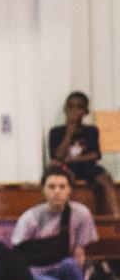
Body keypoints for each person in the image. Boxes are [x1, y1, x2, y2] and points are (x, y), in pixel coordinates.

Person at [12, 164, 104, 280]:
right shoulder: (30, 218)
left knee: (69, 264)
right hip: (33, 272)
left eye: (62, 187)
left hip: (61, 269)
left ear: (70, 190)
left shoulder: (80, 213)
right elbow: (16, 258)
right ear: (43, 190)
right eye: (52, 187)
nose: (57, 192)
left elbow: (79, 252)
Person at [48, 91, 119, 219]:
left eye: (79, 107)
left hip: (86, 166)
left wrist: (73, 159)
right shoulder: (56, 131)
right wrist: (69, 133)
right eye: (71, 106)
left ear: (85, 111)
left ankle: (115, 215)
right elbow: (57, 156)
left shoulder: (91, 130)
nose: (74, 110)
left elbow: (95, 154)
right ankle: (60, 217)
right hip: (66, 168)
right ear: (66, 109)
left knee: (105, 178)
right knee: (61, 178)